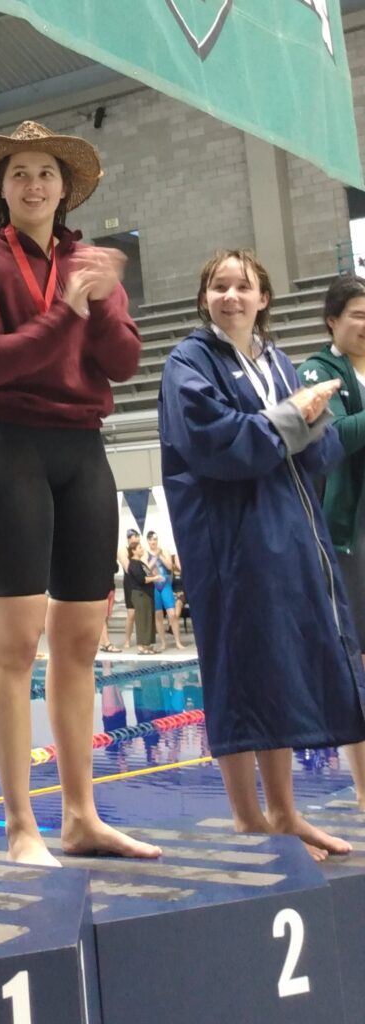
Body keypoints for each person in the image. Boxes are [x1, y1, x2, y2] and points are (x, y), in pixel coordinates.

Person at [0, 120, 160, 864]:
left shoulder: (88, 262)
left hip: (84, 453)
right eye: (18, 175)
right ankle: (19, 825)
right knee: (16, 642)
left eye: (45, 174)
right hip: (10, 450)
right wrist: (64, 309)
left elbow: (125, 361)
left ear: (65, 188)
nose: (33, 185)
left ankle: (79, 816)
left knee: (80, 644)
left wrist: (98, 301)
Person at [158, 249, 365, 859]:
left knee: (278, 667)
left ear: (264, 298)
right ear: (204, 299)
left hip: (290, 534)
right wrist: (292, 419)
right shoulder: (187, 362)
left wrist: (312, 419)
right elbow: (216, 442)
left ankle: (284, 811)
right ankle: (249, 819)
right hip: (230, 540)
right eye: (218, 286)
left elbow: (315, 450)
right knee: (237, 670)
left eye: (242, 287)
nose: (230, 296)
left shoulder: (276, 361)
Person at [297, 274, 365, 811]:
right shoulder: (318, 373)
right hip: (348, 538)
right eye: (357, 315)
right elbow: (338, 437)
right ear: (332, 321)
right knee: (355, 664)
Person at [146, 530, 185, 650]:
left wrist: (160, 555)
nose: (154, 542)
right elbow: (147, 569)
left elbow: (169, 567)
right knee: (158, 616)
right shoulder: (145, 554)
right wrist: (155, 556)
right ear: (148, 541)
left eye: (155, 539)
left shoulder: (165, 551)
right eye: (151, 539)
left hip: (166, 585)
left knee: (172, 614)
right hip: (154, 587)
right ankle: (163, 643)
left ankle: (178, 641)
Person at [126, 537, 159, 655]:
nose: (142, 549)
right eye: (139, 547)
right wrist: (155, 578)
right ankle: (141, 646)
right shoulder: (133, 564)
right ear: (133, 551)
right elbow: (141, 579)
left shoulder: (140, 563)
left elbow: (147, 574)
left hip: (146, 594)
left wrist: (153, 575)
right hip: (140, 594)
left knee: (148, 619)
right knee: (142, 620)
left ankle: (147, 645)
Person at [118, 528, 139, 648]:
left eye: (137, 537)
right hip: (130, 583)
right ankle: (127, 639)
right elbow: (128, 568)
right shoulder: (123, 551)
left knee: (142, 612)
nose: (136, 539)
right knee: (131, 613)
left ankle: (143, 638)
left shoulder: (140, 550)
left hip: (141, 583)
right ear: (129, 538)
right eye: (134, 537)